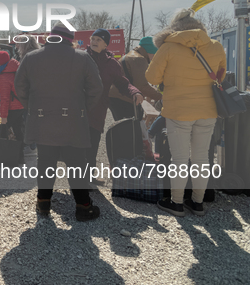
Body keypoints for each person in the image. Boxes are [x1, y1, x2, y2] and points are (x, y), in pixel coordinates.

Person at [14, 24, 104, 221]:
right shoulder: (82, 57)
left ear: (50, 37)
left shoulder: (31, 57)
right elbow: (96, 88)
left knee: (45, 162)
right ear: (69, 39)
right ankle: (83, 206)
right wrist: (82, 108)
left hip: (42, 120)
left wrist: (32, 106)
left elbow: (19, 86)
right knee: (77, 164)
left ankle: (43, 203)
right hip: (73, 121)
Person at [146, 9, 226, 217]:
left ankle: (177, 202)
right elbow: (221, 75)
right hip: (208, 110)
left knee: (179, 159)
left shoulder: (168, 47)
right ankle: (197, 202)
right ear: (199, 26)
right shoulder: (216, 46)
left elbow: (152, 77)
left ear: (175, 28)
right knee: (201, 158)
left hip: (178, 111)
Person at [86, 29, 143, 179]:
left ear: (106, 44)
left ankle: (89, 178)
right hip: (78, 108)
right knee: (78, 145)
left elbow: (123, 84)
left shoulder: (112, 64)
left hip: (97, 110)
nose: (94, 41)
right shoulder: (81, 58)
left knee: (92, 144)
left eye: (99, 39)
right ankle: (78, 181)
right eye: (93, 38)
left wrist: (135, 92)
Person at [109, 36, 162, 121]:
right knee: (131, 130)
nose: (153, 58)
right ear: (151, 51)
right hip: (124, 99)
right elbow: (142, 86)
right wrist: (161, 97)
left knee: (122, 127)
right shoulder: (139, 59)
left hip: (116, 96)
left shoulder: (129, 55)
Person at [0, 50, 24, 142]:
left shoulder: (4, 75)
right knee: (18, 131)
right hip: (21, 105)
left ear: (1, 62)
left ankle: (5, 153)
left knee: (1, 130)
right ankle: (20, 152)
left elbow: (5, 98)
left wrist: (3, 116)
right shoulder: (16, 69)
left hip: (12, 108)